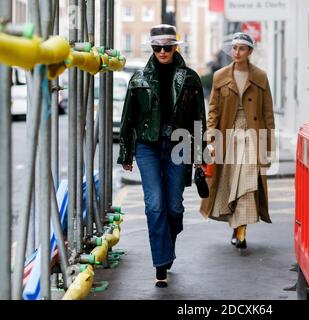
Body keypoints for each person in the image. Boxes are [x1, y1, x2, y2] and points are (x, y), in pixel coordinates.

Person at [117, 24, 206, 288]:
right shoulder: (138, 79)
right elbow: (128, 119)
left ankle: (165, 244)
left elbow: (198, 119)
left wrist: (199, 154)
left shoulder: (191, 78)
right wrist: (126, 153)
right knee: (154, 204)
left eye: (168, 46)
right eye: (158, 47)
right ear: (152, 47)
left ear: (176, 46)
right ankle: (161, 264)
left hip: (179, 143)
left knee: (174, 206)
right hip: (147, 146)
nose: (163, 51)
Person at [200, 32, 276, 249]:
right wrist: (211, 140)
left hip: (253, 135)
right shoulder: (220, 76)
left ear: (250, 52)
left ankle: (240, 230)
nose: (237, 52)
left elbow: (268, 113)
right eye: (234, 48)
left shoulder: (260, 76)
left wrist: (268, 147)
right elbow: (213, 110)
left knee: (248, 183)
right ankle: (236, 226)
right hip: (228, 135)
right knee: (230, 182)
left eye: (242, 48)